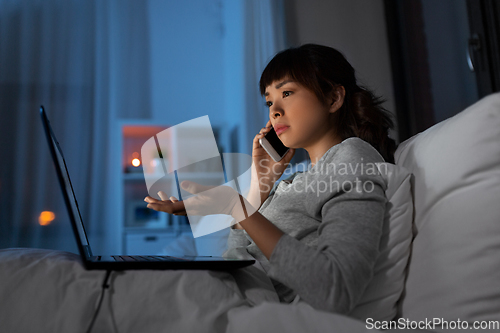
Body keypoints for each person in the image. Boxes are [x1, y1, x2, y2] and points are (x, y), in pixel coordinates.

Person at [145, 43, 396, 315]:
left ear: (334, 98)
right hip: (224, 295)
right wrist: (260, 186)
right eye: (268, 101)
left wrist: (235, 206)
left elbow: (335, 290)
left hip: (240, 309)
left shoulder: (352, 156)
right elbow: (237, 258)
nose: (274, 110)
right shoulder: (297, 175)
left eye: (287, 93)